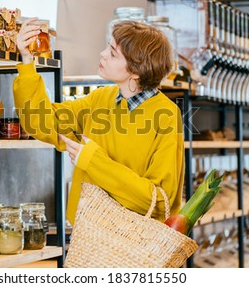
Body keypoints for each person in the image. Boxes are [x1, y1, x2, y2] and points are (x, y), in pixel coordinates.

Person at [14, 18, 184, 225]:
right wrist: (26, 60)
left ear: (137, 71)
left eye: (112, 53)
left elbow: (157, 202)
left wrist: (93, 161)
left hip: (132, 245)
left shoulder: (166, 115)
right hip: (88, 237)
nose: (102, 54)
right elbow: (41, 122)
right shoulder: (101, 99)